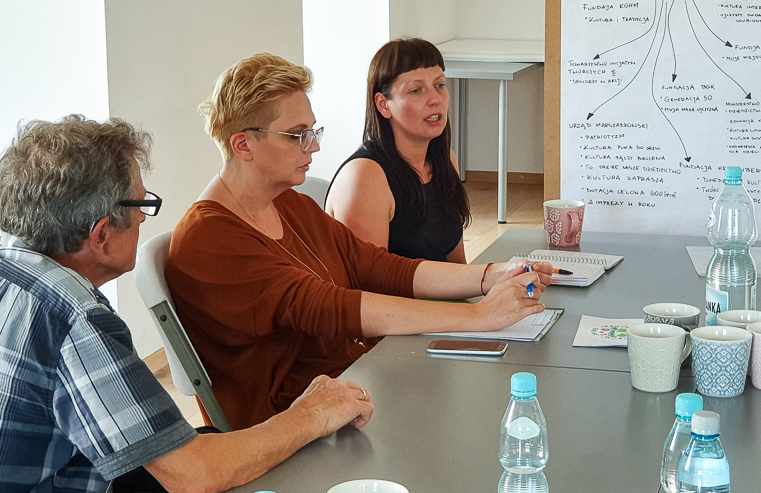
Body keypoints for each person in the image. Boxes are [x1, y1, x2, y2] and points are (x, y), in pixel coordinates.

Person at [0, 116, 373, 493]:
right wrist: (311, 413)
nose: (143, 217)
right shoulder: (76, 319)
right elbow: (193, 475)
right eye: (140, 204)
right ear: (100, 235)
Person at [165, 53, 550, 430]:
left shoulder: (288, 203)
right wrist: (479, 317)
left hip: (350, 384)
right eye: (298, 135)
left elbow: (376, 266)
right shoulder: (210, 239)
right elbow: (330, 307)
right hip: (292, 421)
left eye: (313, 132)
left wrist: (491, 275)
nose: (313, 147)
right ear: (243, 145)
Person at [326, 38, 468, 262]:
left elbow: (458, 266)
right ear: (383, 104)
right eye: (416, 90)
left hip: (438, 286)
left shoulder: (446, 159)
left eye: (440, 85)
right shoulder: (365, 176)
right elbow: (369, 279)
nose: (435, 99)